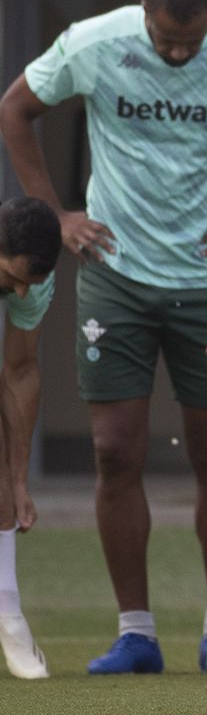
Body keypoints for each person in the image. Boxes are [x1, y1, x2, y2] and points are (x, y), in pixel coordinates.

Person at [0, 0, 207, 676]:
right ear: (144, 16)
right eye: (166, 40)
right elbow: (16, 108)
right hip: (116, 274)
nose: (179, 53)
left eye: (192, 39)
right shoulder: (95, 43)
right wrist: (55, 214)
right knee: (114, 451)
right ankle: (136, 631)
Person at [0, 198, 62, 680]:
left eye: (31, 284)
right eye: (11, 277)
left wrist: (19, 483)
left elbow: (19, 373)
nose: (21, 291)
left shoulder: (31, 287)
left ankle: (9, 618)